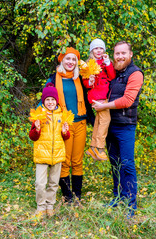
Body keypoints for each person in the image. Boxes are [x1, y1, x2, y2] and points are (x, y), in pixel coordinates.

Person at [92, 41, 144, 218]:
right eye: (117, 54)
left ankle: (131, 203)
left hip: (126, 126)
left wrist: (103, 105)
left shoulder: (135, 74)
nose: (120, 56)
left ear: (130, 55)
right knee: (114, 162)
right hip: (110, 125)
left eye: (123, 53)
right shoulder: (112, 71)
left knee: (127, 163)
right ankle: (118, 196)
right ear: (113, 55)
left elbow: (127, 100)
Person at [42, 47, 93, 204]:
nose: (71, 62)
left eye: (74, 59)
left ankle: (77, 195)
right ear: (62, 60)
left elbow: (92, 93)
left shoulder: (81, 78)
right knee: (65, 161)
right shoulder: (53, 79)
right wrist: (39, 116)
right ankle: (67, 196)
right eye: (68, 59)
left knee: (77, 161)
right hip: (63, 124)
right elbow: (45, 99)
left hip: (81, 123)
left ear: (77, 62)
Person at [29, 83, 70, 219]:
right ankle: (41, 206)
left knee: (53, 183)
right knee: (40, 183)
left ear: (56, 101)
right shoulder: (38, 115)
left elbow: (66, 136)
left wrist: (65, 132)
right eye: (48, 100)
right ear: (43, 101)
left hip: (57, 154)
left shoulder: (62, 115)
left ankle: (49, 205)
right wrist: (37, 128)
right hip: (42, 154)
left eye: (53, 99)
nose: (50, 102)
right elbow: (33, 137)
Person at [83, 38, 116, 161]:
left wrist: (108, 63)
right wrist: (90, 81)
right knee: (105, 120)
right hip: (97, 96)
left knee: (99, 121)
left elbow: (112, 76)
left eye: (101, 48)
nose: (99, 50)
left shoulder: (106, 62)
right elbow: (86, 83)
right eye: (96, 48)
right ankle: (100, 147)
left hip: (105, 95)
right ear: (92, 50)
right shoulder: (88, 64)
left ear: (104, 50)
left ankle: (93, 147)